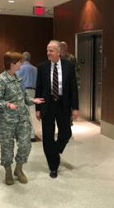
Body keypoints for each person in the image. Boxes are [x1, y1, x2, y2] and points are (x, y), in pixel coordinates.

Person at [0, 51, 44, 185]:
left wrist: (33, 100)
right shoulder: (0, 80)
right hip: (6, 121)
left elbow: (25, 98)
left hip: (22, 119)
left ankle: (19, 169)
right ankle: (8, 172)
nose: (21, 64)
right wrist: (7, 104)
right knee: (7, 147)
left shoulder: (18, 78)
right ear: (12, 64)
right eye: (19, 62)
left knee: (26, 145)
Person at [35, 40, 79, 179]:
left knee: (66, 132)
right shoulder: (42, 67)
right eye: (47, 50)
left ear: (59, 52)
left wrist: (75, 107)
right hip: (47, 105)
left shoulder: (69, 66)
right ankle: (53, 166)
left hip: (63, 104)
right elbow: (39, 88)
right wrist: (38, 108)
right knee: (47, 136)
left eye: (51, 50)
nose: (48, 53)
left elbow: (73, 88)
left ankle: (55, 150)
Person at [16, 52, 38, 142]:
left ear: (22, 59)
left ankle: (31, 134)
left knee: (25, 113)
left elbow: (16, 80)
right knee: (27, 112)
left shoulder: (20, 68)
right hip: (33, 91)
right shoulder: (35, 69)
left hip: (24, 91)